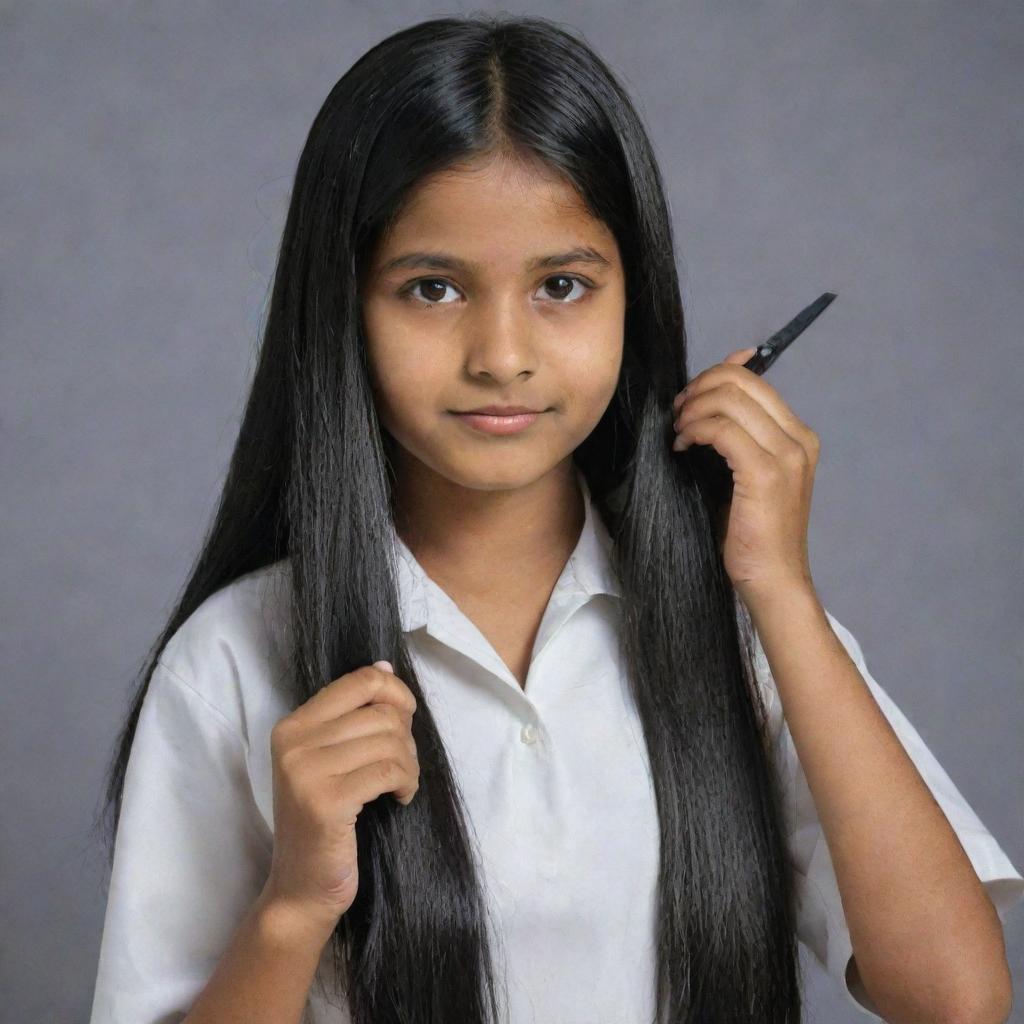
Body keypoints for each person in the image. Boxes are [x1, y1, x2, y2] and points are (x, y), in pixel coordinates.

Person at [88, 13, 1024, 1024]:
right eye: (432, 287)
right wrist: (295, 905)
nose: (501, 354)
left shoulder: (743, 632)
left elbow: (955, 999)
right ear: (343, 308)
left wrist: (782, 594)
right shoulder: (231, 660)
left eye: (562, 285)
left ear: (635, 295)